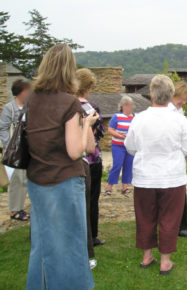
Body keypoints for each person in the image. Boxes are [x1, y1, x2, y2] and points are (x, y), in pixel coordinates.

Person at [26, 44, 98, 289]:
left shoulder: (31, 100)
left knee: (42, 242)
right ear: (69, 70)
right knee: (71, 244)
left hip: (36, 179)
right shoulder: (69, 103)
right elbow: (75, 151)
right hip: (64, 181)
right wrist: (87, 124)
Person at [125, 75, 187, 275]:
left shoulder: (139, 119)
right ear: (171, 94)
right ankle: (165, 261)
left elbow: (130, 147)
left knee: (145, 216)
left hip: (145, 176)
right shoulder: (179, 120)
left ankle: (147, 256)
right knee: (170, 218)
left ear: (151, 94)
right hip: (171, 176)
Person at [76, 68, 106, 269]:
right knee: (91, 201)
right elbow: (101, 132)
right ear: (89, 87)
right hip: (91, 159)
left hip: (74, 160)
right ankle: (92, 236)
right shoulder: (91, 108)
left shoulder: (67, 106)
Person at [0, 79, 31, 221]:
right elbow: (3, 129)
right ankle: (14, 210)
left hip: (27, 149)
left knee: (24, 179)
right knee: (17, 180)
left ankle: (20, 207)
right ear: (21, 92)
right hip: (15, 151)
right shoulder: (9, 108)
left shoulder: (29, 107)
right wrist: (8, 147)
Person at [168, 81, 187, 238]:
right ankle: (172, 226)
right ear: (174, 95)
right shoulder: (168, 110)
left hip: (178, 157)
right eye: (182, 99)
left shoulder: (180, 111)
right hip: (169, 157)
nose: (184, 103)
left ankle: (181, 226)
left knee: (180, 193)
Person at [104, 96, 135, 196]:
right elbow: (110, 129)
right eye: (127, 105)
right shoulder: (116, 117)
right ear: (123, 106)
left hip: (130, 146)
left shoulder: (134, 117)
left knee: (128, 166)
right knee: (117, 165)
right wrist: (119, 136)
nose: (130, 107)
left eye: (130, 105)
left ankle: (125, 187)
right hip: (118, 145)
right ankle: (109, 187)